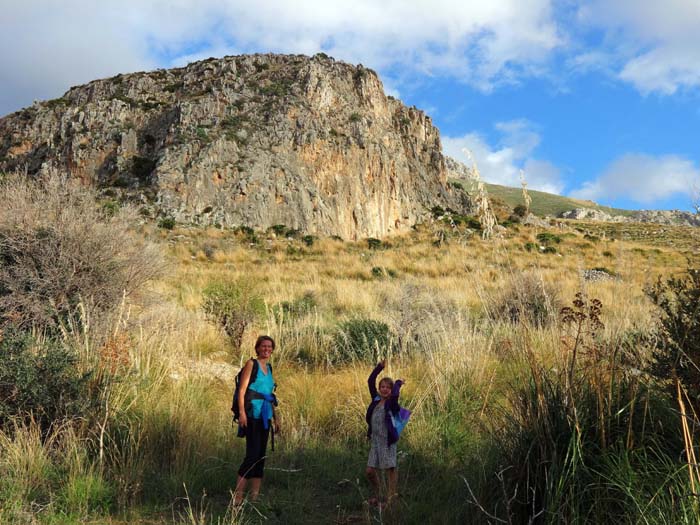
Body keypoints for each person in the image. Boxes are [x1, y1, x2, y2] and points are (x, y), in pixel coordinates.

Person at [234, 335, 280, 505]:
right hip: (252, 414)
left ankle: (254, 497)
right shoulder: (251, 364)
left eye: (269, 347)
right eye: (263, 346)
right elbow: (242, 390)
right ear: (257, 348)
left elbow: (270, 396)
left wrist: (276, 418)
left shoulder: (269, 368)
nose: (266, 349)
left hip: (266, 416)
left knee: (261, 457)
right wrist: (241, 413)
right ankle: (238, 497)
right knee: (251, 456)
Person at [365, 360, 409, 508]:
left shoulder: (392, 403)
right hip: (376, 441)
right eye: (382, 387)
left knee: (390, 468)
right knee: (370, 471)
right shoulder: (376, 400)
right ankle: (378, 495)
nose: (384, 390)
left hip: (387, 440)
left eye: (387, 387)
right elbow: (370, 380)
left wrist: (397, 383)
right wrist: (379, 368)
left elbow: (396, 394)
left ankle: (391, 499)